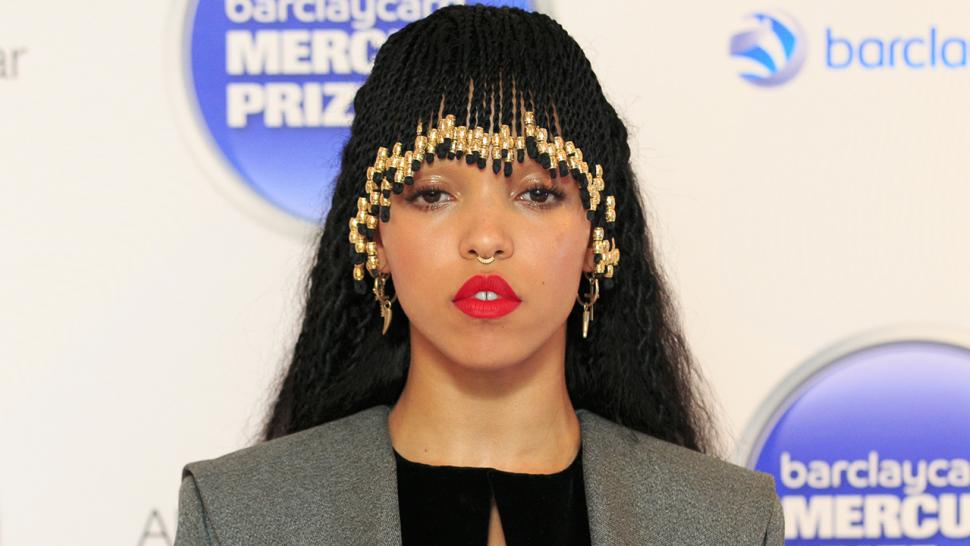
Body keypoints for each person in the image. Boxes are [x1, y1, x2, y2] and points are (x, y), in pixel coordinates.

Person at [174, 5, 784, 545]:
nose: (486, 238)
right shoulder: (237, 516)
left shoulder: (728, 523)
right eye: (433, 194)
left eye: (537, 193)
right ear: (373, 238)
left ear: (596, 238)